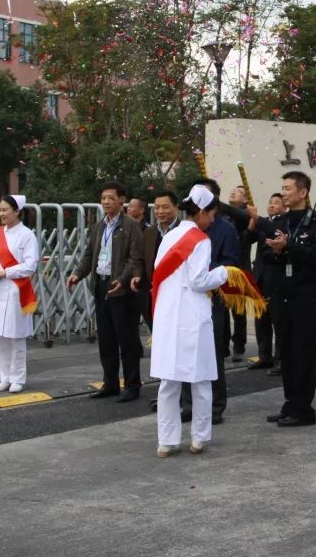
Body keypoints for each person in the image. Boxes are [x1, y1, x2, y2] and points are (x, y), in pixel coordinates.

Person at [150, 185, 230, 457]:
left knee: (169, 382)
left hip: (167, 315)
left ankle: (167, 440)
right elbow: (198, 281)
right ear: (203, 212)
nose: (213, 220)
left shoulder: (169, 236)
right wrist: (223, 274)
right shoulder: (200, 240)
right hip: (193, 316)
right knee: (201, 378)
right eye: (212, 214)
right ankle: (199, 437)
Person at [260, 171, 316, 427]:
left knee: (304, 352)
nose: (284, 192)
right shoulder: (280, 221)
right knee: (286, 351)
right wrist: (278, 251)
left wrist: (289, 247)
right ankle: (290, 403)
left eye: (288, 188)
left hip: (306, 297)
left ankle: (303, 409)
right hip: (282, 296)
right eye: (283, 187)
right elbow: (266, 254)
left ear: (303, 192)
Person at [68, 181, 144, 403]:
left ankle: (132, 385)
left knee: (127, 339)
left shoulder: (131, 226)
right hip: (101, 285)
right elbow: (89, 255)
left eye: (111, 198)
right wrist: (78, 274)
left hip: (121, 289)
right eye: (103, 198)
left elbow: (134, 258)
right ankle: (110, 383)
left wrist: (122, 279)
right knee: (106, 339)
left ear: (122, 200)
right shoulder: (99, 226)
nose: (106, 202)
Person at [179, 178, 244, 424]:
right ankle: (187, 404)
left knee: (212, 352)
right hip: (186, 299)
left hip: (212, 299)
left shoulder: (224, 229)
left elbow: (230, 263)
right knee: (187, 351)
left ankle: (215, 406)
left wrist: (205, 272)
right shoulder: (183, 229)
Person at [0, 195, 39, 393]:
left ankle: (18, 378)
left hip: (17, 290)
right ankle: (4, 376)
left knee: (16, 336)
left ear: (17, 211)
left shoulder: (27, 235)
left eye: (6, 210)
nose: (2, 214)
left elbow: (30, 265)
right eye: (0, 210)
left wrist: (5, 272)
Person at [248, 193, 285, 373]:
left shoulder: (282, 223)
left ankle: (280, 358)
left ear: (284, 207)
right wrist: (253, 220)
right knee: (260, 319)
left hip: (276, 278)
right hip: (260, 276)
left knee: (278, 319)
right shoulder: (262, 223)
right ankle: (265, 356)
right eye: (270, 203)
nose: (272, 205)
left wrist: (258, 219)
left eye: (277, 203)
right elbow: (249, 236)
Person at [136, 190, 180, 336]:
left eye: (165, 207)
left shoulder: (184, 232)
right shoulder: (149, 232)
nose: (160, 211)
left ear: (176, 207)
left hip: (175, 295)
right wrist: (137, 275)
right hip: (151, 295)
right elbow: (140, 259)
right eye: (157, 207)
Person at [225, 185, 253, 362]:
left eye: (239, 192)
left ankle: (239, 345)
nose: (233, 192)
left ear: (245, 200)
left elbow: (241, 217)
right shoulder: (224, 215)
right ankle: (223, 344)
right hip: (223, 268)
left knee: (238, 311)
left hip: (239, 268)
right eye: (232, 190)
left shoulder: (245, 215)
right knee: (221, 309)